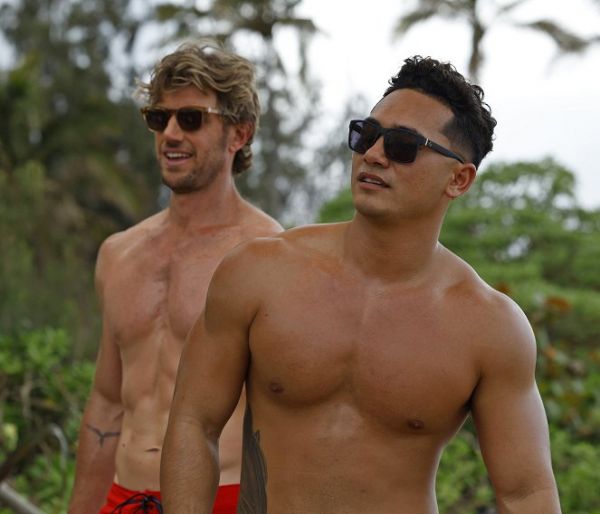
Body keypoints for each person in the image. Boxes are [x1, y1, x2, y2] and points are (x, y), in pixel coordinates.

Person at [160, 56, 562, 514]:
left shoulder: (489, 326)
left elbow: (525, 492)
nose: (373, 154)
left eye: (403, 145)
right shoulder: (259, 272)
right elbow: (194, 423)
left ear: (458, 179)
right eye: (366, 135)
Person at [68, 41, 282, 514]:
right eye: (158, 118)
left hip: (223, 498)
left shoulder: (267, 253)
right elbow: (107, 403)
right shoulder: (119, 254)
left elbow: (291, 415)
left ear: (239, 133)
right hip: (125, 497)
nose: (170, 133)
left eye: (191, 119)